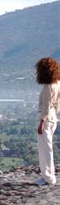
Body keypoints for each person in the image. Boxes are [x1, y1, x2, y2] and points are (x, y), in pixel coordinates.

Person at [36, 57, 60, 186]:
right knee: (48, 148)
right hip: (53, 117)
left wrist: (41, 123)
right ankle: (50, 176)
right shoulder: (57, 83)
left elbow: (45, 107)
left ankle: (48, 177)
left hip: (45, 119)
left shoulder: (47, 86)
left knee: (44, 149)